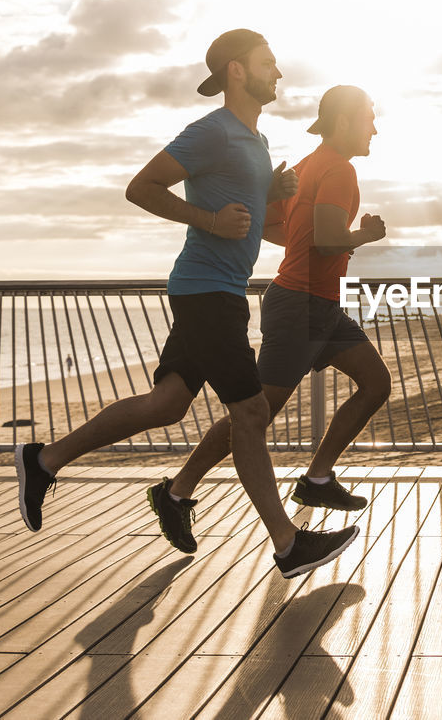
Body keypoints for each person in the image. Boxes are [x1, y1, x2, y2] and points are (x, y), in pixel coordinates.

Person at [15, 30, 360, 579]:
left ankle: (44, 459)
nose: (279, 72)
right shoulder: (213, 133)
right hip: (207, 290)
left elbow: (239, 207)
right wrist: (211, 221)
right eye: (268, 63)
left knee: (168, 403)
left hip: (217, 289)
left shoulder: (256, 140)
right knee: (249, 412)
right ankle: (288, 543)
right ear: (237, 72)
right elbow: (142, 187)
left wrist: (268, 194)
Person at [146, 85, 391, 555]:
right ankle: (176, 492)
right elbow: (324, 239)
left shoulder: (305, 166)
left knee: (375, 383)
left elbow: (273, 225)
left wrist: (314, 243)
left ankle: (318, 478)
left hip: (315, 303)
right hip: (301, 306)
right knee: (253, 414)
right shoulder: (340, 170)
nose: (374, 128)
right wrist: (364, 234)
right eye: (368, 118)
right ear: (343, 121)